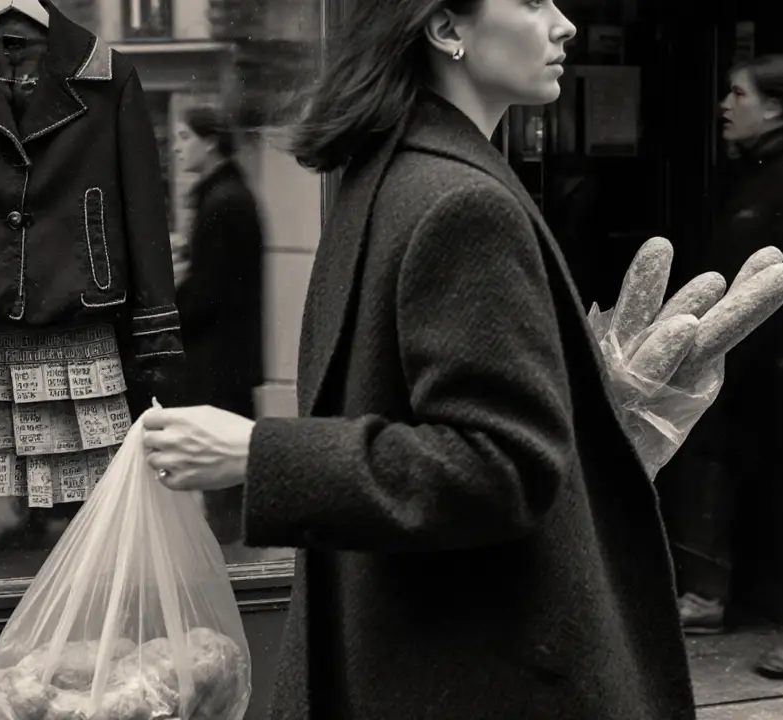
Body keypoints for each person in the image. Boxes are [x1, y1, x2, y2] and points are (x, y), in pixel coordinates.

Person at [141, 1, 696, 717]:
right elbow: (498, 465)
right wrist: (258, 453)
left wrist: (597, 408)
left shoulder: (385, 176)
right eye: (531, 1)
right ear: (447, 29)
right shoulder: (464, 203)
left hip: (401, 654)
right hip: (473, 667)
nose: (565, 25)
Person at [667, 54, 783, 678]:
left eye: (738, 93)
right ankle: (709, 594)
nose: (724, 105)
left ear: (775, 106)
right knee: (714, 459)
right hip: (758, 359)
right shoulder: (760, 168)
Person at [171, 106, 265, 550]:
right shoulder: (225, 195)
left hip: (217, 356)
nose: (177, 146)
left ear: (211, 142)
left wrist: (170, 309)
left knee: (223, 474)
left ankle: (228, 560)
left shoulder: (221, 201)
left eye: (185, 136)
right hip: (228, 355)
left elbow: (209, 291)